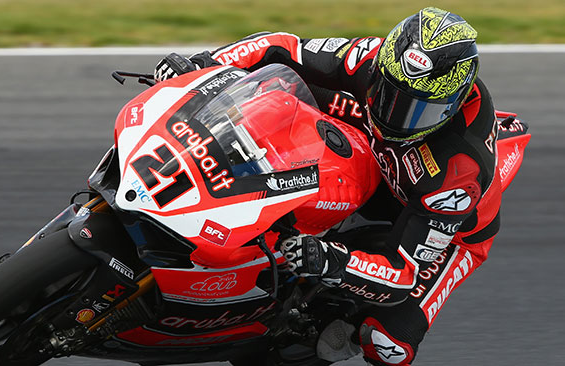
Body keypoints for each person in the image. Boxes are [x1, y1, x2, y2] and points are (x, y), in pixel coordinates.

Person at [154, 7, 501, 366]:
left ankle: (334, 327)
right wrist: (206, 63)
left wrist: (332, 261)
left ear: (451, 105)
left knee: (389, 345)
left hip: (447, 230)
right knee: (278, 89)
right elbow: (283, 46)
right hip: (379, 150)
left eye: (417, 110)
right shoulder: (371, 57)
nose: (394, 115)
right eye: (387, 93)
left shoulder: (458, 174)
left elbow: (401, 274)